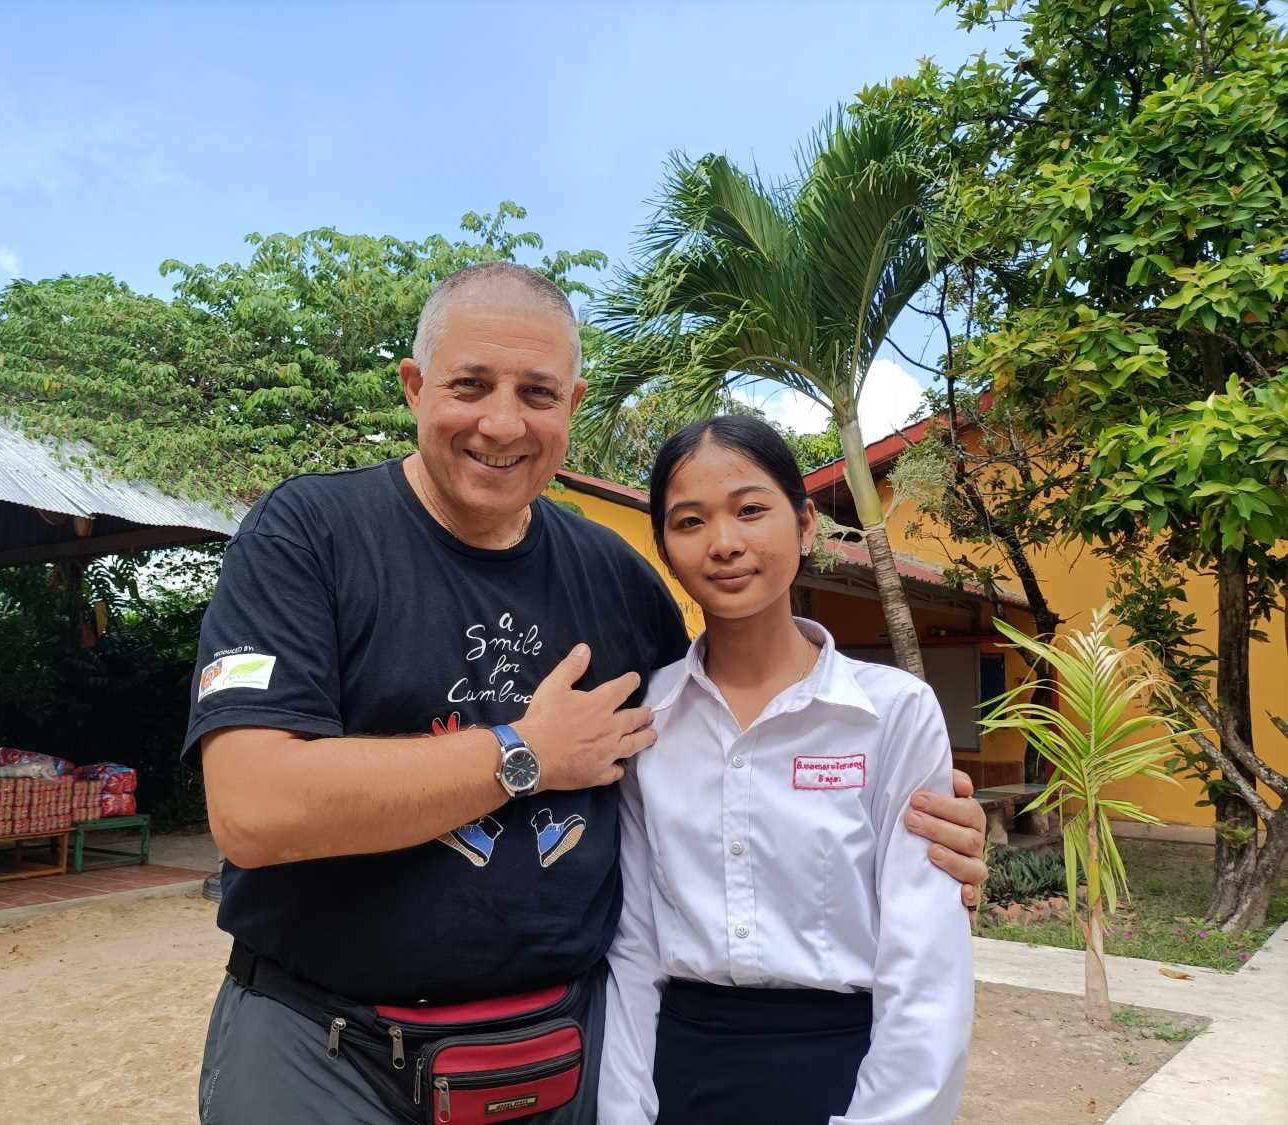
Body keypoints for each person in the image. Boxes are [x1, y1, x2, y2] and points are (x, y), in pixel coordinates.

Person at [185, 263, 989, 1124]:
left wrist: (914, 834)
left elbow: (719, 758)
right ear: (415, 387)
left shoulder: (618, 582)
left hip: (562, 1056)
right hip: (325, 1049)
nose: (502, 422)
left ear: (572, 403)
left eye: (537, 392)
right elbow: (252, 809)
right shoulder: (309, 535)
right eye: (470, 385)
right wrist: (524, 754)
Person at [599, 417, 973, 1124]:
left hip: (844, 1071)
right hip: (681, 1071)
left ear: (805, 524)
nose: (724, 542)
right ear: (665, 549)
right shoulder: (646, 718)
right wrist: (626, 1112)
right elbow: (634, 943)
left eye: (750, 509)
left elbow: (925, 959)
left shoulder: (892, 713)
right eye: (690, 521)